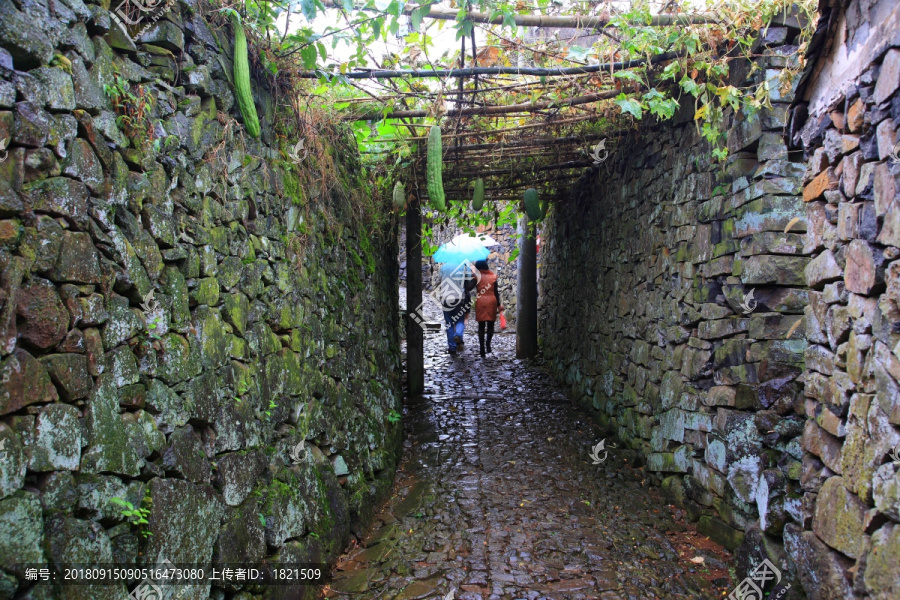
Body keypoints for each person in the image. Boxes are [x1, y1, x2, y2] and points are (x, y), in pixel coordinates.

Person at [439, 261, 476, 354]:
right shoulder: (464, 267)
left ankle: (452, 348)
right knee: (459, 319)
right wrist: (474, 279)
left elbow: (440, 281)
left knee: (449, 323)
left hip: (446, 298)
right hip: (459, 298)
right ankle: (458, 334)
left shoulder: (443, 267)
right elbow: (468, 285)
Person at [473, 259, 502, 357]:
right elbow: (496, 292)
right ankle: (488, 344)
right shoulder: (493, 276)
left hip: (481, 301)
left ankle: (482, 349)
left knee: (481, 326)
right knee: (491, 325)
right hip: (491, 301)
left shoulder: (476, 277)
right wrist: (499, 305)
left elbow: (468, 287)